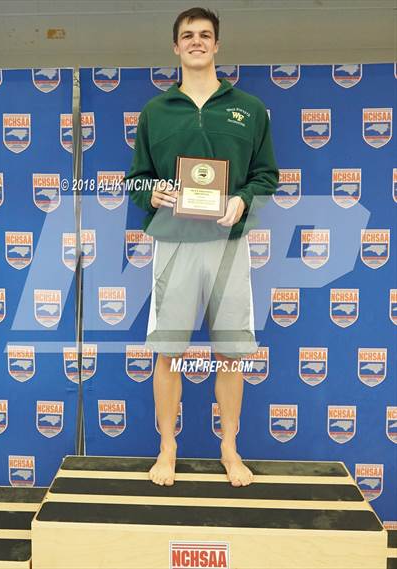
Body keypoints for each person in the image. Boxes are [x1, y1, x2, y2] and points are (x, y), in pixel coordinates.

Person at [126, 7, 279, 487]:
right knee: (167, 352)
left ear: (217, 46)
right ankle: (166, 449)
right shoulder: (156, 111)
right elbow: (136, 181)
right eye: (187, 35)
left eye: (205, 35)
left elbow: (266, 176)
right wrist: (152, 192)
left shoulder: (249, 109)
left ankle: (230, 449)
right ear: (175, 47)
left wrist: (242, 200)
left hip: (228, 244)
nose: (196, 41)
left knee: (231, 353)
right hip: (174, 243)